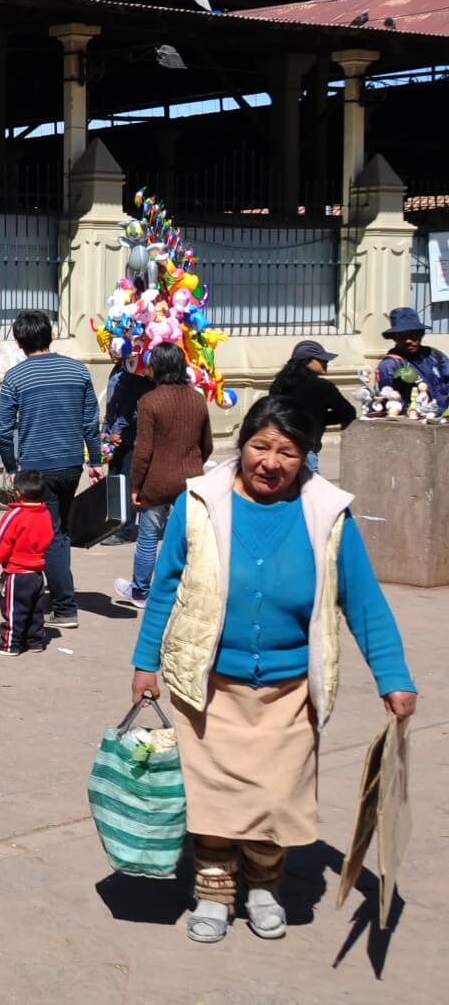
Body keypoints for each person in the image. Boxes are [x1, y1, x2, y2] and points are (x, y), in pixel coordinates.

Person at [130, 395, 417, 944]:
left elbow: (363, 600)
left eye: (288, 451)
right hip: (209, 686)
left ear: (306, 455)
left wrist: (394, 676)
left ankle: (263, 884)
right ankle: (213, 892)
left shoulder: (327, 514)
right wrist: (146, 662)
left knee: (275, 797)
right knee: (212, 799)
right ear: (241, 446)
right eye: (260, 446)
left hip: (289, 689)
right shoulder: (200, 503)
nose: (271, 462)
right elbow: (165, 589)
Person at [0, 310, 102, 631]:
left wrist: (11, 467)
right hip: (70, 465)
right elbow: (90, 424)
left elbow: (2, 430)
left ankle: (66, 606)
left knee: (49, 535)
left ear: (19, 342)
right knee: (60, 532)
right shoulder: (78, 371)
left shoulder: (15, 377)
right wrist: (94, 461)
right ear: (51, 336)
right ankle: (59, 597)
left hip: (36, 468)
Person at [120, 342, 212, 606]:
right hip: (191, 481)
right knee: (186, 537)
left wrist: (135, 486)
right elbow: (208, 445)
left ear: (156, 368)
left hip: (157, 482)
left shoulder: (150, 401)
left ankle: (140, 591)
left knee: (148, 537)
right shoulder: (197, 399)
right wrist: (193, 464)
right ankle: (180, 589)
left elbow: (143, 451)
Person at [0, 470, 52, 656]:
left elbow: (2, 540)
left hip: (16, 573)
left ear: (18, 493)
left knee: (14, 610)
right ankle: (34, 641)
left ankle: (9, 644)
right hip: (37, 573)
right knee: (35, 610)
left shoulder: (15, 514)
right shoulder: (45, 513)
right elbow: (48, 537)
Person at [269, 340, 356, 474]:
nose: (326, 363)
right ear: (308, 361)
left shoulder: (279, 384)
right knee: (310, 492)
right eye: (322, 359)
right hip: (305, 452)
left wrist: (313, 416)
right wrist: (318, 418)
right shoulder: (321, 386)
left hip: (279, 450)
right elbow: (348, 413)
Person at [100, 356, 155, 545]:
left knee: (127, 479)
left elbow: (133, 404)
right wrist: (106, 428)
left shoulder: (137, 371)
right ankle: (116, 522)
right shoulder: (120, 368)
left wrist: (117, 428)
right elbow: (113, 402)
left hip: (129, 435)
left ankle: (126, 529)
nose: (111, 351)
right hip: (116, 433)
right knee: (115, 479)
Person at [375, 306, 449, 413]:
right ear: (394, 337)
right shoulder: (390, 365)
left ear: (421, 334)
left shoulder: (435, 356)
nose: (408, 340)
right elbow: (389, 402)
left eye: (413, 334)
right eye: (402, 336)